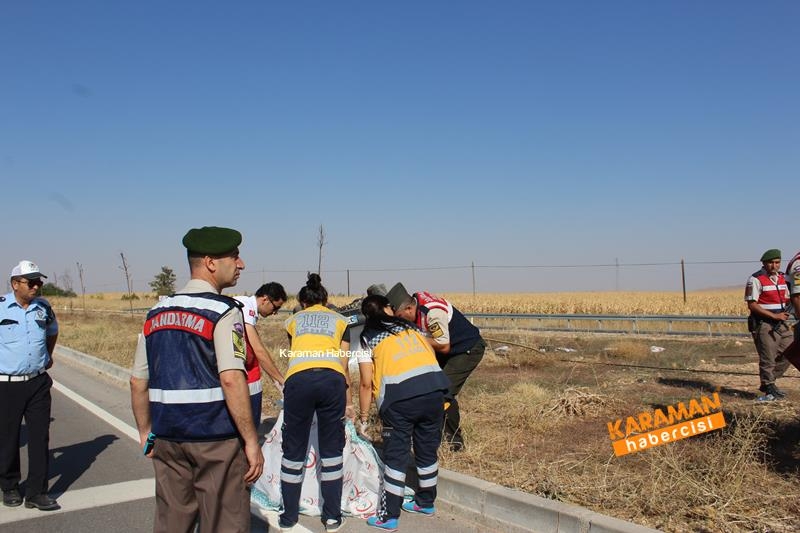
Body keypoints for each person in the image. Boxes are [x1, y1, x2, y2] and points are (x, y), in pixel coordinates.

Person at [130, 226, 264, 533]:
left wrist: (145, 432)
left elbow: (138, 381)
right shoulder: (224, 312)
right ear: (211, 262)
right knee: (224, 522)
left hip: (168, 438)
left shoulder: (155, 313)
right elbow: (232, 380)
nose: (241, 264)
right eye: (235, 256)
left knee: (172, 522)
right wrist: (251, 441)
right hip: (216, 441)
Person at [357, 295, 450, 531]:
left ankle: (388, 516)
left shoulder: (367, 338)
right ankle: (425, 502)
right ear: (388, 309)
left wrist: (364, 418)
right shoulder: (413, 328)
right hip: (435, 391)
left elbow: (366, 383)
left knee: (395, 456)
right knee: (427, 450)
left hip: (400, 400)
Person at [280, 273, 351, 532]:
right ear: (326, 299)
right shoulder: (341, 321)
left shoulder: (293, 320)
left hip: (298, 381)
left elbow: (293, 352)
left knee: (293, 450)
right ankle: (331, 517)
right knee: (331, 450)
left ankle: (288, 516)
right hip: (332, 380)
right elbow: (343, 361)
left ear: (301, 301)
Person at [386, 283, 484, 451]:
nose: (399, 321)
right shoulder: (415, 305)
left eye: (400, 316)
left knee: (442, 392)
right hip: (448, 351)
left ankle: (454, 442)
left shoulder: (432, 313)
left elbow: (443, 345)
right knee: (429, 387)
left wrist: (413, 339)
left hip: (466, 349)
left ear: (409, 308)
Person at [0, 261, 60, 511]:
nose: (36, 286)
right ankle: (9, 485)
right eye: (31, 282)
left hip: (37, 382)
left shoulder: (43, 307)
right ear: (15, 284)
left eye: (39, 282)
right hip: (7, 384)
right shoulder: (1, 307)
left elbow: (52, 332)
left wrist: (46, 357)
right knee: (8, 437)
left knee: (39, 437)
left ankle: (37, 491)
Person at [235, 282, 287, 423]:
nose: (275, 312)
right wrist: (282, 380)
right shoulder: (245, 307)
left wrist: (275, 379)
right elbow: (258, 350)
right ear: (265, 299)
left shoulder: (248, 310)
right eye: (275, 307)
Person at [744, 248, 792, 400]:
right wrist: (774, 315)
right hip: (764, 323)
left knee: (791, 352)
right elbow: (752, 304)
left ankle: (768, 382)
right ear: (764, 263)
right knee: (768, 357)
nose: (774, 265)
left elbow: (789, 298)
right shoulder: (755, 279)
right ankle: (769, 387)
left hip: (782, 322)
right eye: (771, 262)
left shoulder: (784, 278)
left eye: (777, 262)